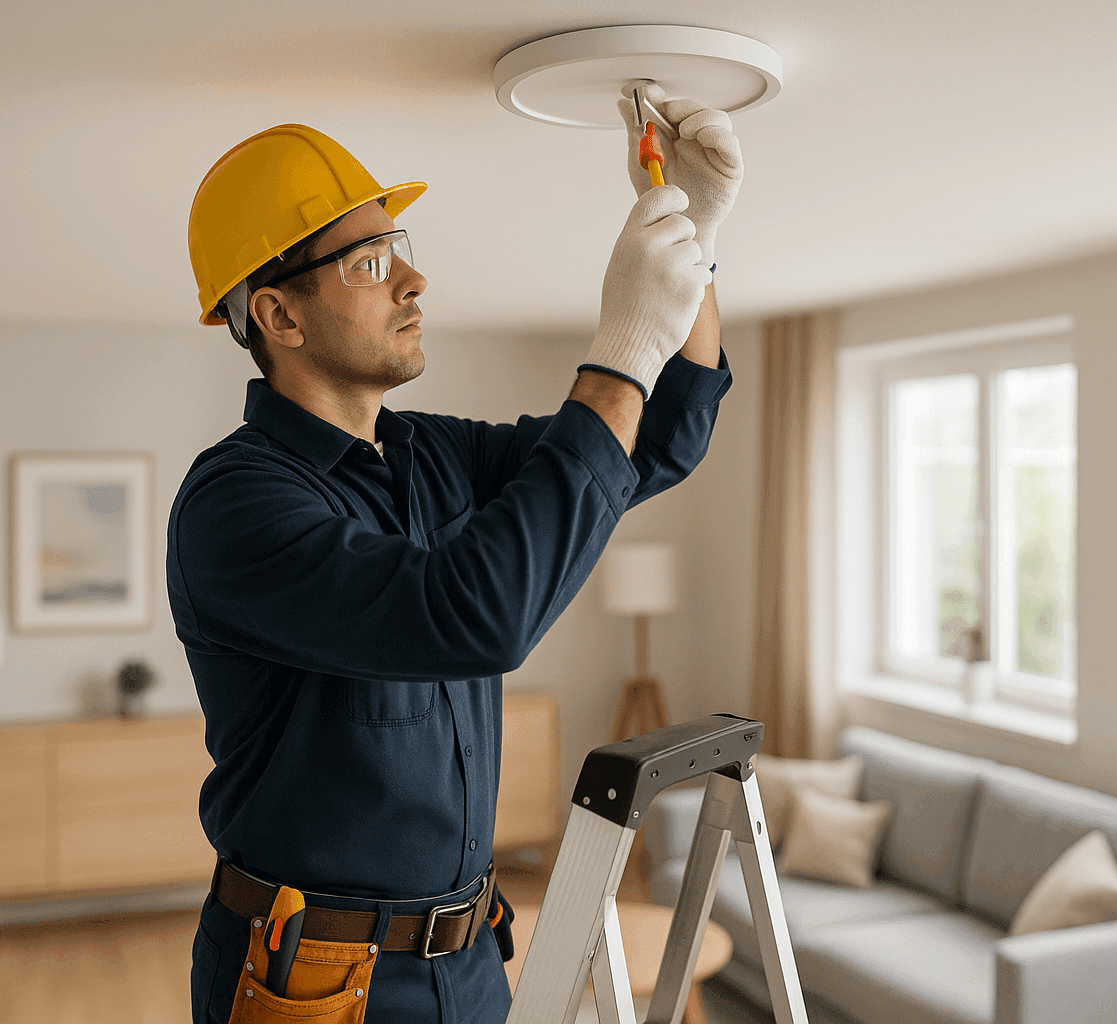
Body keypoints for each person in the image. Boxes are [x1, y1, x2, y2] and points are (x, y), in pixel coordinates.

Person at [172, 84, 742, 1024]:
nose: (413, 280)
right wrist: (621, 341)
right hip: (310, 986)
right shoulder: (235, 506)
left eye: (399, 247)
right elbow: (471, 615)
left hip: (470, 961)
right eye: (367, 260)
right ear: (278, 316)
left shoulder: (432, 452)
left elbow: (661, 434)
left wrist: (695, 237)